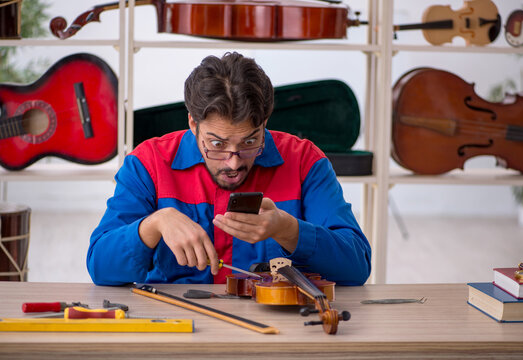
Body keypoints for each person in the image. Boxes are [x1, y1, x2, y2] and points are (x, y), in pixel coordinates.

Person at [87, 52, 371, 286]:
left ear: (265, 123)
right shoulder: (147, 163)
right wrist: (153, 224)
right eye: (217, 143)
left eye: (250, 141)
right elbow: (100, 267)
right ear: (192, 124)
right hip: (177, 332)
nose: (233, 162)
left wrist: (288, 229)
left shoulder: (306, 162)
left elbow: (356, 268)